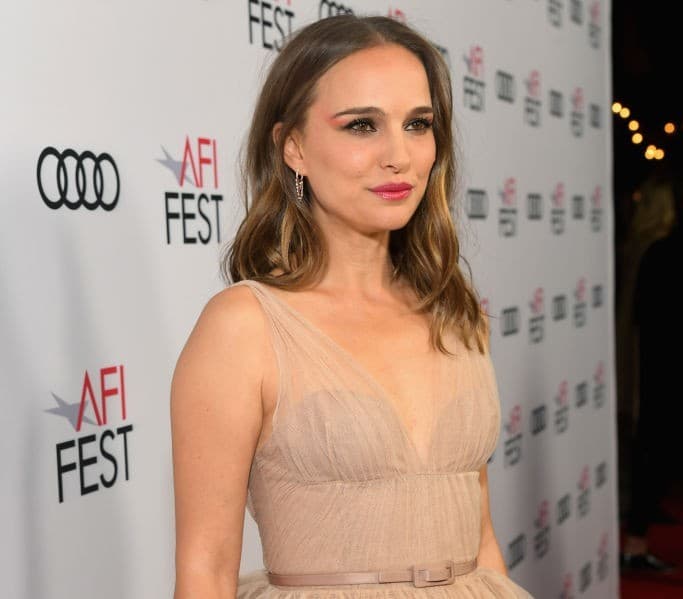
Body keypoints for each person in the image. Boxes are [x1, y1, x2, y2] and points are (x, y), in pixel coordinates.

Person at [170, 14, 533, 599]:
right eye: (362, 125)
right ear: (293, 147)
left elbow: (482, 541)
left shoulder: (455, 312)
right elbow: (205, 570)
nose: (399, 155)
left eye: (418, 124)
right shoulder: (244, 327)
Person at [620, 165, 683, 574]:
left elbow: (639, 316)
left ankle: (636, 540)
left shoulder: (649, 251)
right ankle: (635, 543)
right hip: (662, 368)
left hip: (653, 366)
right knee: (654, 451)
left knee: (652, 450)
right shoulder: (659, 251)